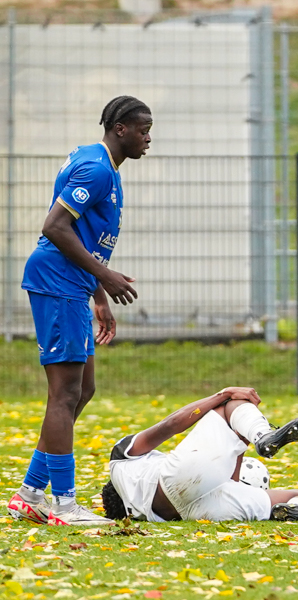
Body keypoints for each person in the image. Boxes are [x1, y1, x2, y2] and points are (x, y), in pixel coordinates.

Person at [7, 97, 152, 527]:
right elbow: (54, 226)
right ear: (120, 128)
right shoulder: (97, 169)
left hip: (73, 283)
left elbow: (85, 236)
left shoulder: (103, 164)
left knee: (82, 389)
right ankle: (64, 505)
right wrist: (104, 276)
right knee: (65, 393)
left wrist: (98, 295)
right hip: (57, 281)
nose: (148, 138)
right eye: (143, 129)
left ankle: (30, 494)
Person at [100, 386, 298, 523]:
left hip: (197, 510)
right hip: (173, 480)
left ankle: (287, 510)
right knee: (232, 404)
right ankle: (262, 435)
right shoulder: (120, 462)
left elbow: (228, 482)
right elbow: (170, 425)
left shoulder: (138, 511)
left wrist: (239, 439)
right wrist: (222, 395)